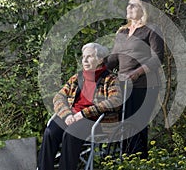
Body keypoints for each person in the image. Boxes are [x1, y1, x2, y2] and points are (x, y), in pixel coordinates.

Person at [37, 42, 122, 170]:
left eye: (89, 57)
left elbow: (115, 101)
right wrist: (67, 115)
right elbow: (59, 97)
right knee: (50, 132)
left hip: (93, 120)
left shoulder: (110, 79)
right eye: (83, 57)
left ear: (99, 59)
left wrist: (83, 113)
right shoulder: (77, 78)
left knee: (71, 134)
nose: (85, 60)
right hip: (71, 115)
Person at [107, 0, 164, 159]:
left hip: (144, 86)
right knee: (123, 127)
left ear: (143, 9)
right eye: (128, 4)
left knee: (136, 127)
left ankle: (139, 163)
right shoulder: (123, 31)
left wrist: (137, 72)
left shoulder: (151, 30)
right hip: (122, 85)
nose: (128, 7)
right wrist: (96, 69)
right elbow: (114, 58)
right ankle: (125, 161)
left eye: (133, 5)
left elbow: (157, 57)